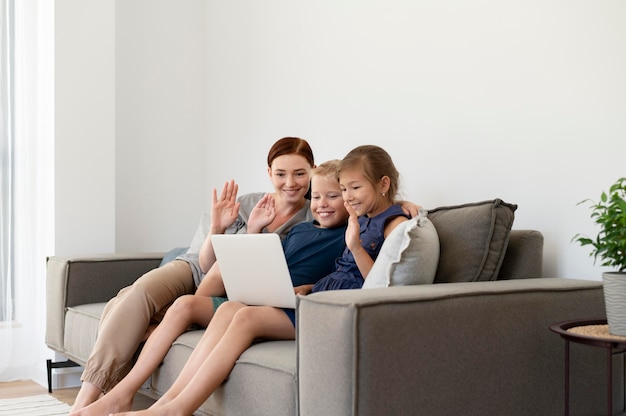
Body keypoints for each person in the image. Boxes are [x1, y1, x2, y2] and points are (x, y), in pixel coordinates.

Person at [110, 144, 410, 416]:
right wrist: (310, 286)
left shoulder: (386, 223)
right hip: (313, 297)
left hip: (331, 309)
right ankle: (168, 402)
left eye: (349, 189)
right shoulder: (360, 219)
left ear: (382, 184)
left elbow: (380, 281)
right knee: (230, 309)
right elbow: (342, 268)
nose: (346, 198)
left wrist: (401, 214)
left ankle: (177, 410)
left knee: (244, 317)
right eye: (344, 190)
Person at [70, 160, 350, 416]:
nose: (321, 203)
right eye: (316, 196)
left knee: (225, 306)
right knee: (179, 304)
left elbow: (342, 276)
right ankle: (122, 393)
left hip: (280, 306)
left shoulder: (346, 234)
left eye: (333, 196)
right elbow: (263, 264)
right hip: (251, 293)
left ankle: (169, 406)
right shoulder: (299, 229)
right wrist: (250, 232)